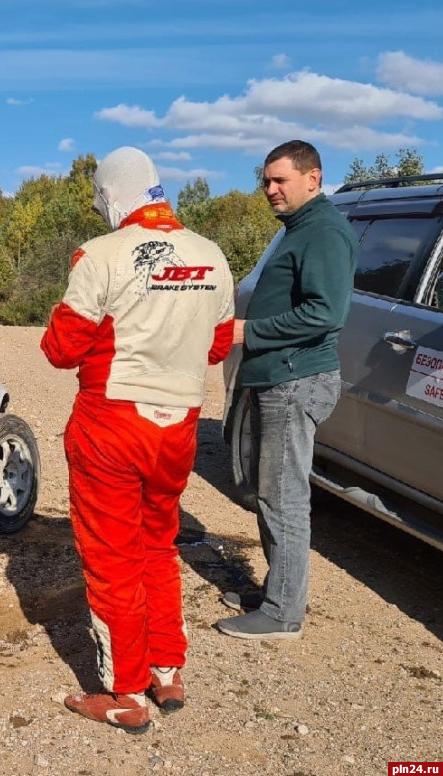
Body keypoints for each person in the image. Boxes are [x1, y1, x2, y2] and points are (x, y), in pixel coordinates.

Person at [41, 146, 234, 733]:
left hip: (110, 425)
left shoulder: (99, 255)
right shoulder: (213, 256)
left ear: (112, 196)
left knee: (111, 558)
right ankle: (166, 666)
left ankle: (124, 690)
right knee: (158, 544)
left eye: (100, 198)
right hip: (176, 427)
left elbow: (60, 350)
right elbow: (218, 347)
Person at [213, 140, 356, 641]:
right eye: (266, 181)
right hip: (275, 377)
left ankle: (282, 614)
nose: (270, 190)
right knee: (267, 492)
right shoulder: (300, 230)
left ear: (313, 178)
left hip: (295, 381)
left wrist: (248, 332)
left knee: (283, 497)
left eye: (281, 180)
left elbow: (325, 312)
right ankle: (278, 591)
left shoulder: (324, 231)